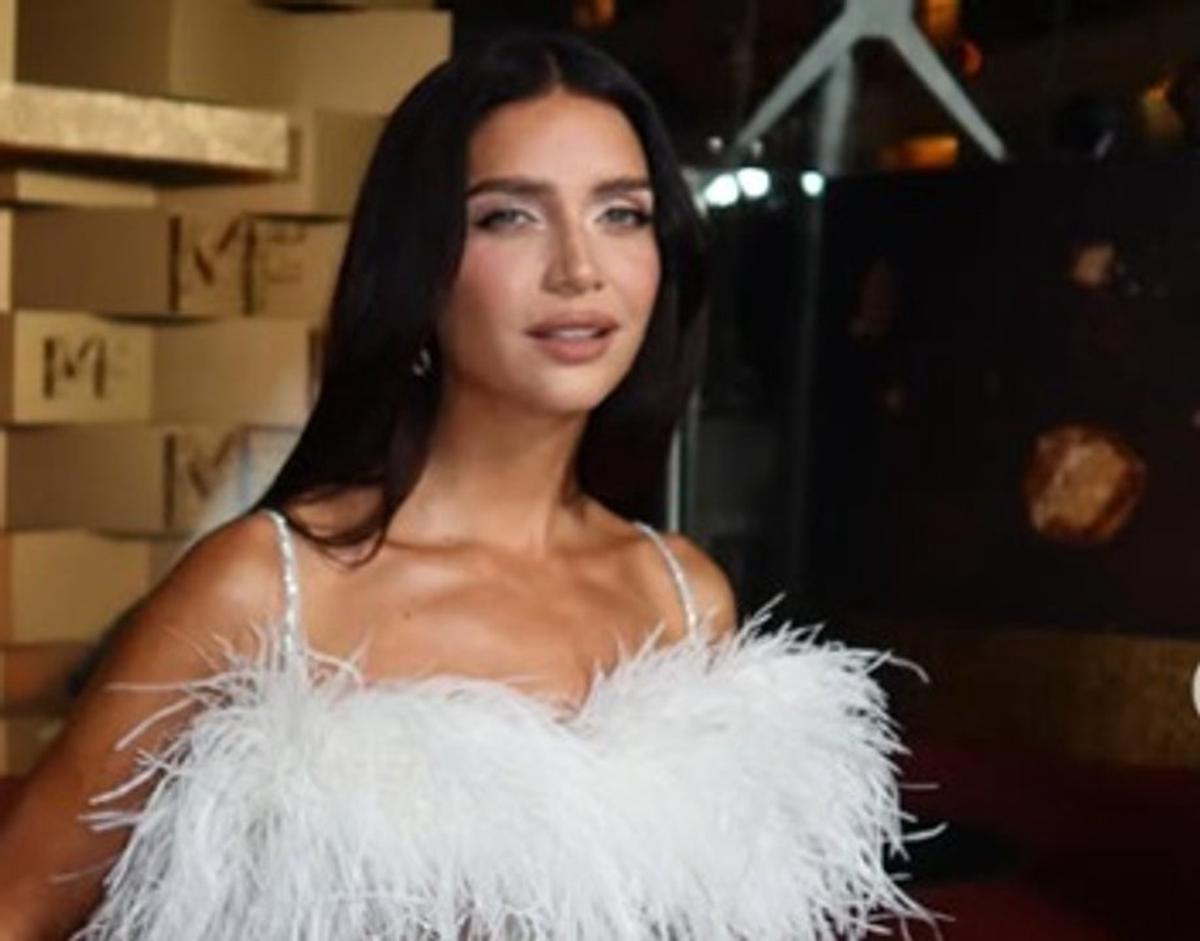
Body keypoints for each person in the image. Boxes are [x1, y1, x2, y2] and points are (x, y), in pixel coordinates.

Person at [0, 32, 924, 940]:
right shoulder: (267, 586)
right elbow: (19, 903)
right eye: (508, 216)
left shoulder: (682, 597)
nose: (579, 268)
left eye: (621, 213)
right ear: (420, 261)